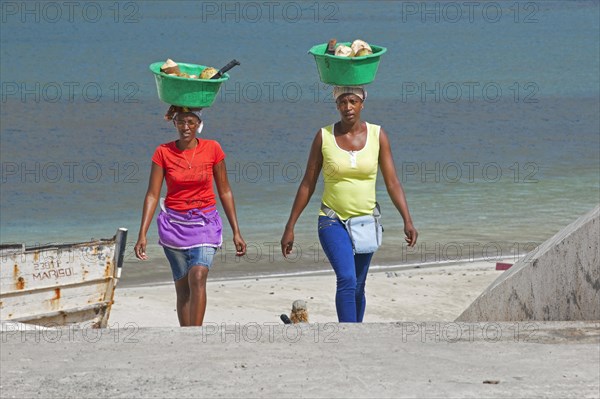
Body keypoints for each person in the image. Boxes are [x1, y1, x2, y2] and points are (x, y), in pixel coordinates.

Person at [280, 86, 418, 323]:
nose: (348, 107)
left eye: (353, 101)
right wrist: (290, 225)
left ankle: (357, 335)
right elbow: (307, 183)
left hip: (366, 222)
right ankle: (348, 335)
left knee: (358, 285)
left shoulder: (377, 135)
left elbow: (392, 182)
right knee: (346, 278)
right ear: (337, 106)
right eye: (343, 102)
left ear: (362, 103)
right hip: (332, 220)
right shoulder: (323, 136)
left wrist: (407, 219)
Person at [134, 107, 246, 326]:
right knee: (183, 287)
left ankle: (197, 335)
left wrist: (236, 231)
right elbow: (153, 194)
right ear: (174, 123)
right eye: (181, 122)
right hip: (174, 227)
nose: (186, 127)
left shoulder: (213, 149)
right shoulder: (163, 152)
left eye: (191, 122)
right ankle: (186, 337)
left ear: (199, 124)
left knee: (198, 276)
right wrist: (142, 234)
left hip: (205, 223)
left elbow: (225, 190)